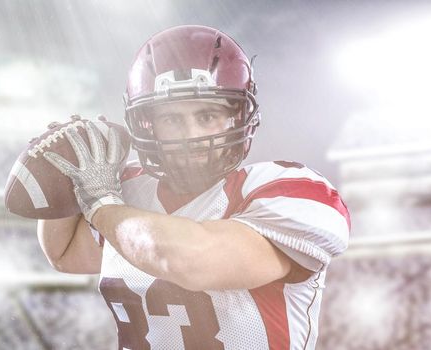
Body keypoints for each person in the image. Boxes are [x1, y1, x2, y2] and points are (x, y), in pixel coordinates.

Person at [37, 25, 350, 350]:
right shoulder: (128, 191)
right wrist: (64, 170)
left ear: (237, 116)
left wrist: (99, 203)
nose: (191, 135)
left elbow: (192, 263)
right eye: (172, 119)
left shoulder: (289, 191)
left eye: (207, 116)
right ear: (148, 125)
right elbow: (63, 254)